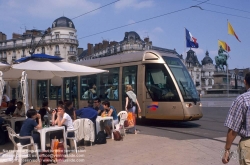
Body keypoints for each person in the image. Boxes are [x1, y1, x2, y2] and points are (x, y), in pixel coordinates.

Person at [222, 72, 250, 164]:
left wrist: (227, 150)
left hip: (247, 145)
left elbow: (233, 129)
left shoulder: (242, 99)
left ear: (245, 81)